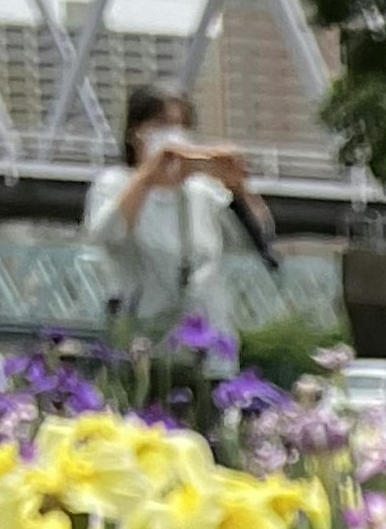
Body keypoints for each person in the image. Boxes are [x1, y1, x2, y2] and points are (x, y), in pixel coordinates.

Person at [82, 79, 272, 355]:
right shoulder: (114, 184)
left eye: (181, 125)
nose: (174, 134)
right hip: (146, 346)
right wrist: (149, 174)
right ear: (135, 132)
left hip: (208, 344)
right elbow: (108, 235)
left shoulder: (202, 192)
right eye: (161, 124)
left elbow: (256, 237)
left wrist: (237, 186)